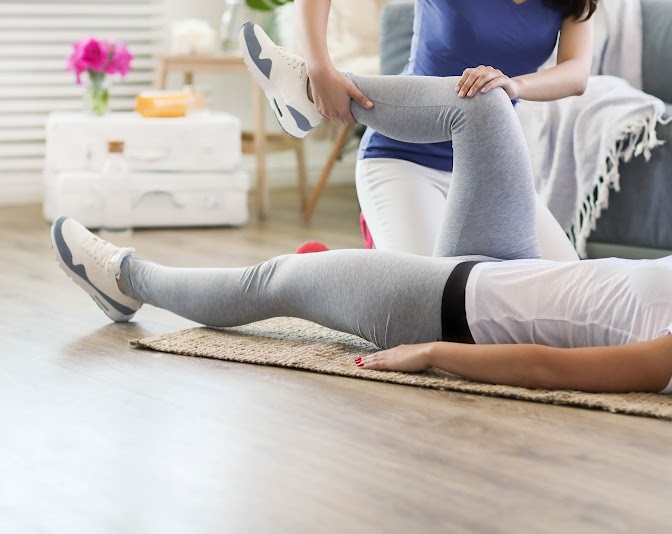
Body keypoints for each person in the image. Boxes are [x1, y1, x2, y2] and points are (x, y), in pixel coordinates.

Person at [51, 24, 672, 395]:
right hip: (514, 263)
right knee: (488, 102)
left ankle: (125, 281)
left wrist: (436, 353)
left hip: (454, 308)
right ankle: (310, 91)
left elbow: (556, 367)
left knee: (280, 281)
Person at [296, 0, 597, 260]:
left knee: (570, 299)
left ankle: (371, 262)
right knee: (431, 306)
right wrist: (319, 67)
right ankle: (326, 268)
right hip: (404, 157)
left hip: (493, 171)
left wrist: (514, 85)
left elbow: (577, 71)